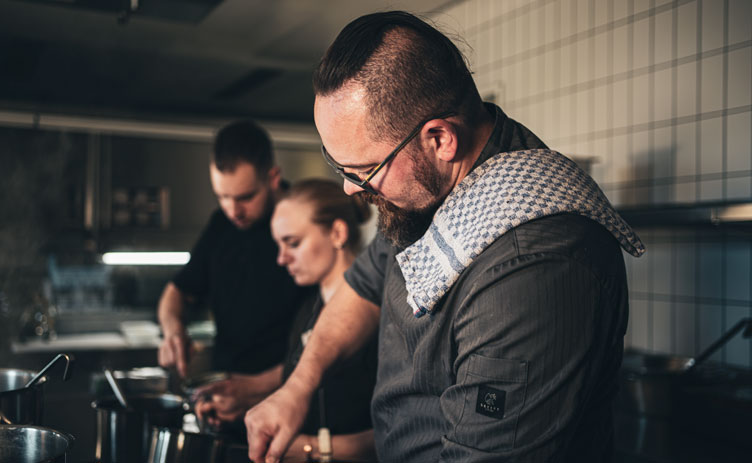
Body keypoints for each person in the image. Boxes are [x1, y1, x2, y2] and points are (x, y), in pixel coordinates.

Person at [245, 11, 646, 463]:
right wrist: (297, 387)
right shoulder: (419, 191)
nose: (350, 189)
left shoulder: (535, 265)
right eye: (340, 167)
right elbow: (366, 285)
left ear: (440, 139)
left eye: (363, 171)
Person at [195, 179, 377, 462]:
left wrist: (313, 448)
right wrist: (245, 412)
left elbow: (401, 429)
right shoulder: (308, 309)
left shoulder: (379, 316)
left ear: (337, 233)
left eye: (293, 243)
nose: (282, 259)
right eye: (279, 245)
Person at [157, 120, 302, 380]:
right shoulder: (221, 225)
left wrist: (254, 388)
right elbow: (177, 292)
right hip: (226, 385)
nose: (233, 211)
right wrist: (173, 331)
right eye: (222, 197)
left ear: (273, 178)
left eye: (245, 197)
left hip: (287, 392)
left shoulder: (304, 221)